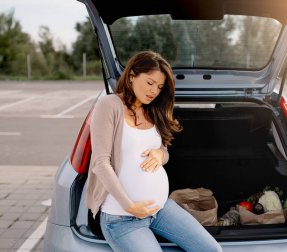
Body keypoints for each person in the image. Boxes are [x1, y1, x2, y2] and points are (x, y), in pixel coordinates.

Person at [86, 50, 222, 252]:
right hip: (122, 217)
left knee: (213, 250)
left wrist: (160, 154)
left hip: (160, 209)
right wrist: (129, 206)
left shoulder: (153, 110)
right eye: (150, 83)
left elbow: (163, 151)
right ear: (132, 76)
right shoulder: (109, 105)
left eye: (159, 87)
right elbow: (100, 162)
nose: (154, 91)